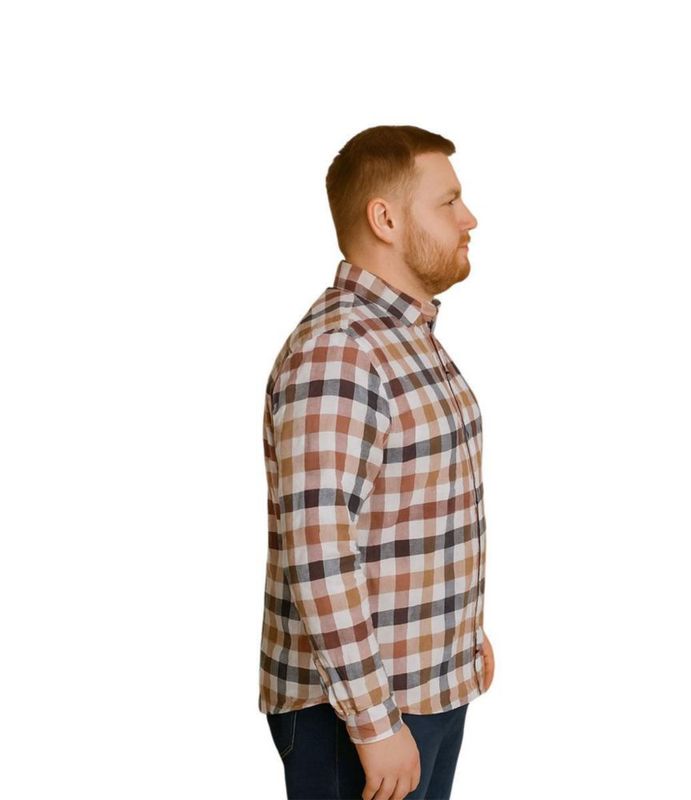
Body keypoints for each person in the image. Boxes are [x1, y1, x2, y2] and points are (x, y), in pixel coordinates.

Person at [258, 124, 495, 800]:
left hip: (422, 688)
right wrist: (371, 721)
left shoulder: (405, 337)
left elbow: (414, 510)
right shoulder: (341, 348)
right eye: (448, 202)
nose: (469, 218)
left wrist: (460, 639)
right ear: (385, 219)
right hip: (361, 712)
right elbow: (320, 549)